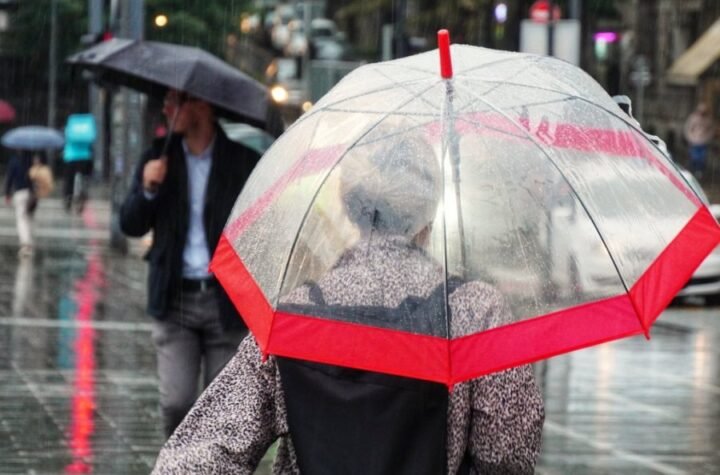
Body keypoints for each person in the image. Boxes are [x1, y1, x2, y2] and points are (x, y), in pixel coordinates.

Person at [152, 133, 545, 474]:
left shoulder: (294, 318)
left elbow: (201, 454)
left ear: (348, 205)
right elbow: (508, 454)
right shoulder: (476, 313)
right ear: (431, 210)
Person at [119, 89, 261, 438]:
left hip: (224, 300)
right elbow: (130, 224)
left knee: (222, 410)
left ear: (203, 105)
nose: (166, 109)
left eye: (175, 101)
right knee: (177, 402)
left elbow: (258, 227)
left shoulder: (242, 162)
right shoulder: (158, 157)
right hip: (175, 298)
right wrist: (148, 190)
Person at [63, 113, 97, 213]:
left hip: (71, 156)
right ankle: (82, 197)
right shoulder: (89, 123)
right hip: (85, 156)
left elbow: (67, 136)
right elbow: (93, 137)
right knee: (85, 179)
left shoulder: (71, 124)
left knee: (69, 180)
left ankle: (68, 199)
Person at [4, 150, 35, 257]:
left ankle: (25, 244)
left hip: (19, 193)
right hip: (31, 193)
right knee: (29, 218)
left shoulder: (14, 161)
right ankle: (30, 242)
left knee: (21, 219)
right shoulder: (31, 161)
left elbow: (10, 178)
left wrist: (7, 193)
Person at [683, 102, 715, 179]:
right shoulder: (693, 118)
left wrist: (707, 138)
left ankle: (699, 172)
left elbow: (711, 130)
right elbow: (688, 128)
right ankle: (692, 171)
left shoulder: (708, 120)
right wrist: (690, 138)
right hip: (694, 141)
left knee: (702, 158)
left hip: (703, 142)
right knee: (693, 157)